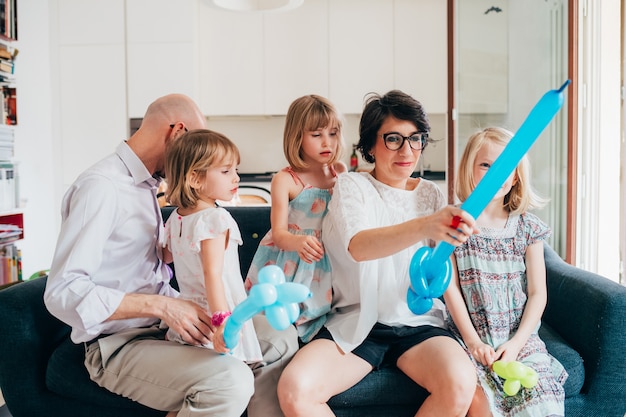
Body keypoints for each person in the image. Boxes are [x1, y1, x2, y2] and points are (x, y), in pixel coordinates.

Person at [44, 93, 298, 417]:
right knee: (229, 381)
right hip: (119, 343)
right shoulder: (102, 187)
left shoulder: (151, 188)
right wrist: (164, 306)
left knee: (279, 338)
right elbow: (62, 292)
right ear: (178, 132)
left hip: (164, 329)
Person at [277, 90, 482, 417]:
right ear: (370, 145)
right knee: (294, 390)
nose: (407, 150)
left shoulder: (431, 193)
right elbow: (359, 246)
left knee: (460, 384)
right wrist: (425, 226)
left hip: (418, 325)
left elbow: (444, 277)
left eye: (416, 139)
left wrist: (472, 339)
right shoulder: (351, 186)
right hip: (357, 323)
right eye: (393, 139)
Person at [443, 127, 567, 417]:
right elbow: (451, 290)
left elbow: (538, 294)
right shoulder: (453, 222)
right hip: (470, 338)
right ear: (469, 169)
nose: (495, 173)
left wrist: (516, 344)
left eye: (505, 167)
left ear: (516, 176)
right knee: (481, 401)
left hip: (519, 338)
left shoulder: (528, 227)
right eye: (486, 164)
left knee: (542, 399)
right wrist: (473, 342)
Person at [245, 94, 347, 343]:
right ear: (296, 137)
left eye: (333, 133)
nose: (327, 142)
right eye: (317, 135)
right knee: (281, 321)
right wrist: (298, 242)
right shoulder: (286, 179)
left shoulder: (340, 172)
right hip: (291, 258)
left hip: (327, 256)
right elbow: (278, 234)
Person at [162, 129, 263, 363]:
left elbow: (166, 258)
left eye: (235, 169)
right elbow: (212, 275)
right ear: (195, 178)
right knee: (234, 368)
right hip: (218, 310)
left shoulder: (176, 218)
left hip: (191, 314)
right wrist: (222, 321)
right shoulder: (215, 219)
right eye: (226, 171)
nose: (236, 177)